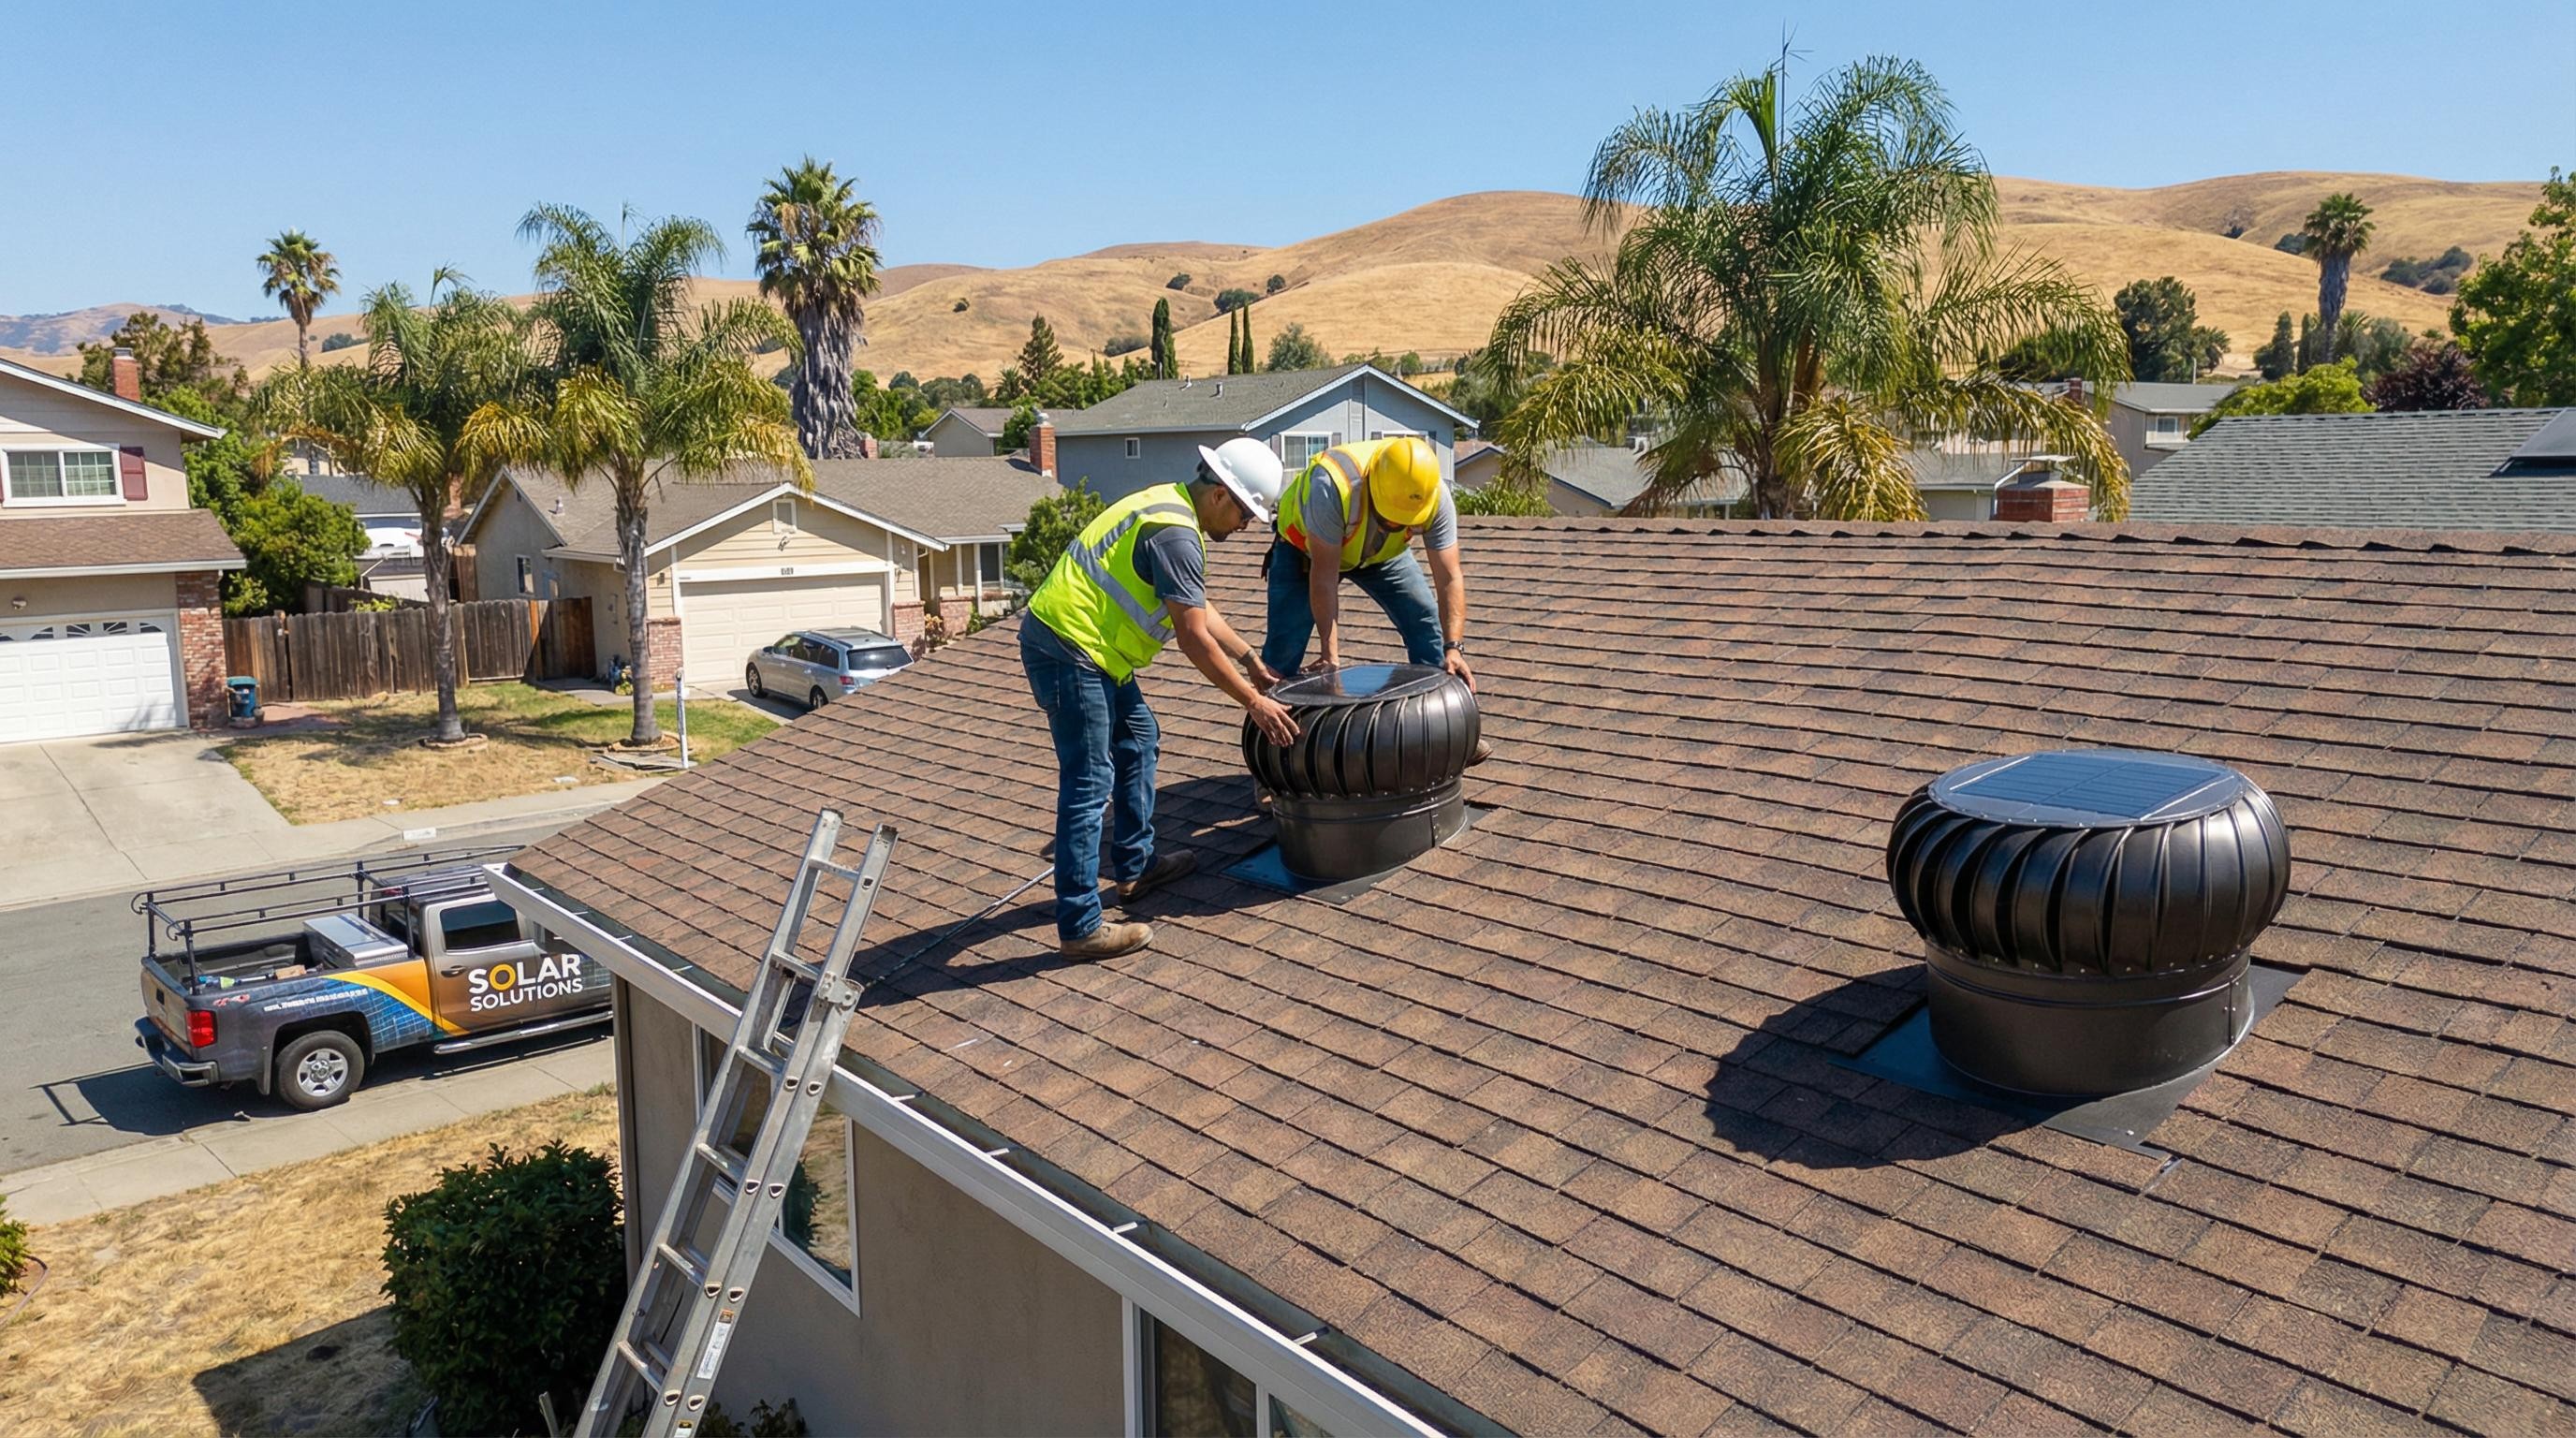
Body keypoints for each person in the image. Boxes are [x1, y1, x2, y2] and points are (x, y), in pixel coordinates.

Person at [1020, 437, 1298, 960]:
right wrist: (1254, 703)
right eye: (1244, 514)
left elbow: (1196, 604)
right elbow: (1192, 636)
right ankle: (1079, 925)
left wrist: (1250, 660)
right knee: (1089, 781)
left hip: (1095, 651)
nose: (1243, 528)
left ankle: (1136, 867)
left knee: (1140, 738)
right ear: (1220, 494)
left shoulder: (1172, 505)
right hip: (1069, 648)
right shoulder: (1175, 534)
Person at [1261, 435, 1479, 697]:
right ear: (1373, 487)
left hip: (1380, 555)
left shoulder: (1431, 495)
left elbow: (1450, 578)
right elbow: (1324, 580)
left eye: (1405, 522)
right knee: (1284, 648)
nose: (1398, 527)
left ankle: (1440, 717)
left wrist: (1453, 647)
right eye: (1391, 519)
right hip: (1306, 551)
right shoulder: (1332, 484)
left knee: (1424, 622)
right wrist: (1330, 657)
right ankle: (1270, 727)